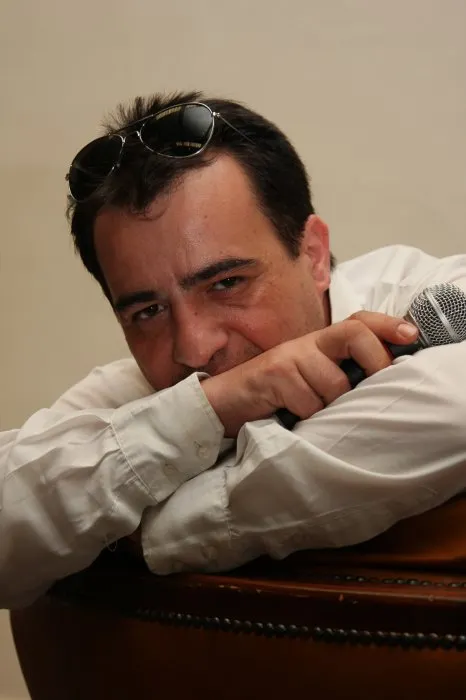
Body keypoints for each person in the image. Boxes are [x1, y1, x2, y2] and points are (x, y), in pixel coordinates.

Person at [1, 91, 466, 610]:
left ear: (313, 254)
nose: (194, 349)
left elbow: (455, 412)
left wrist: (144, 529)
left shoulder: (428, 297)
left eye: (225, 283)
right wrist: (210, 409)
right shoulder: (141, 388)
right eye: (147, 312)